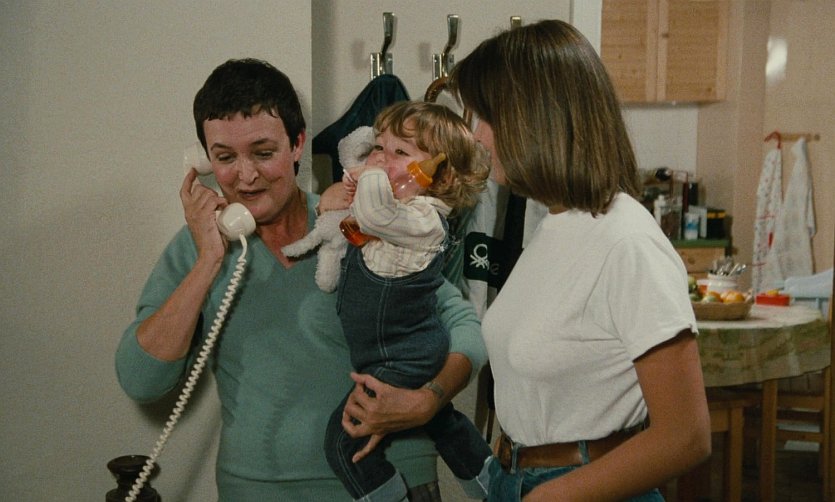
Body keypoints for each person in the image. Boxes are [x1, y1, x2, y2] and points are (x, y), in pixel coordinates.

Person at [114, 58, 487, 501]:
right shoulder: (196, 247)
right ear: (205, 161)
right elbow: (141, 380)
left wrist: (430, 400)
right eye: (225, 157)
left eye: (263, 152)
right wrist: (208, 260)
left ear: (297, 145)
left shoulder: (359, 223)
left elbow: (467, 329)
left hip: (396, 480)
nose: (246, 175)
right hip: (259, 490)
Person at [447, 20, 712, 501]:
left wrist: (552, 496)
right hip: (520, 477)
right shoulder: (554, 225)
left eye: (485, 118)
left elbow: (686, 436)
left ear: (535, 119)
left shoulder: (627, 242)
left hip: (581, 487)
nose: (477, 138)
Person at [322, 101, 492, 501]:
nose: (382, 158)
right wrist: (340, 191)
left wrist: (368, 176)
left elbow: (374, 215)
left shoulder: (423, 220)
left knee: (342, 441)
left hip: (403, 355)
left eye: (400, 152)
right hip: (392, 351)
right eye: (379, 146)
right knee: (443, 424)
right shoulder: (396, 209)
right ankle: (491, 482)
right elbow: (346, 214)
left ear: (437, 175)